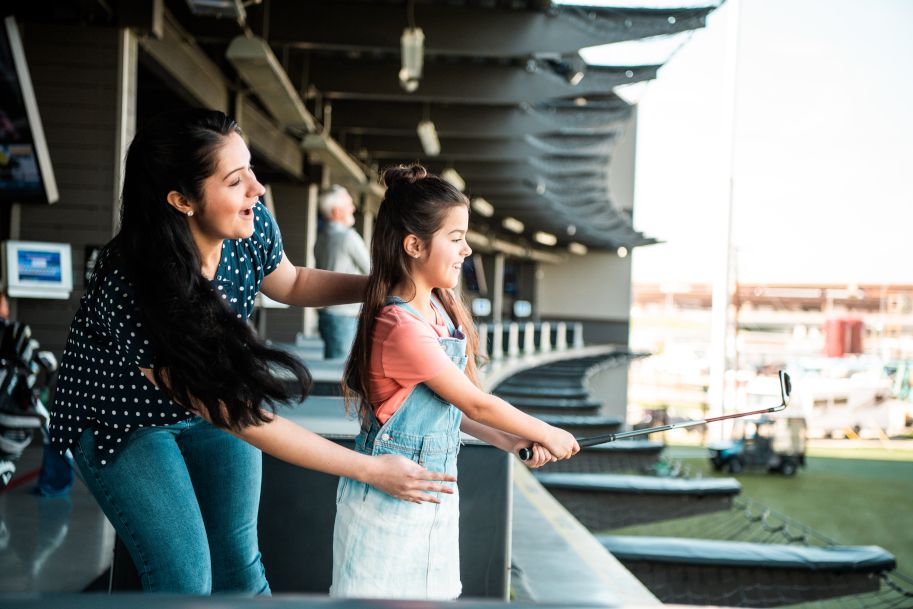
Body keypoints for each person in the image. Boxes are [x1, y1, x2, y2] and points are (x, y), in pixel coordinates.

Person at [47, 109, 455, 595]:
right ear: (182, 200)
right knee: (185, 578)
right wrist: (370, 469)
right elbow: (235, 416)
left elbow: (293, 282)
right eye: (235, 181)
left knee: (238, 563)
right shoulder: (133, 284)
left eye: (251, 171)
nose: (257, 190)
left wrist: (383, 287)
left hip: (214, 397)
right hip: (123, 420)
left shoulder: (249, 222)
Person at [330, 165, 580, 600]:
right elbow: (477, 403)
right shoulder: (400, 327)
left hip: (435, 504)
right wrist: (548, 431)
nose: (467, 249)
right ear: (414, 245)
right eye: (456, 237)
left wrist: (511, 441)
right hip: (387, 510)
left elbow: (449, 411)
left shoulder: (439, 313)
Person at [314, 184, 370, 359]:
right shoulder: (348, 237)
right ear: (337, 212)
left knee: (333, 365)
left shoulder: (321, 238)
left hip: (328, 314)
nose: (353, 208)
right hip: (345, 315)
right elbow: (372, 270)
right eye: (349, 204)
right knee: (341, 370)